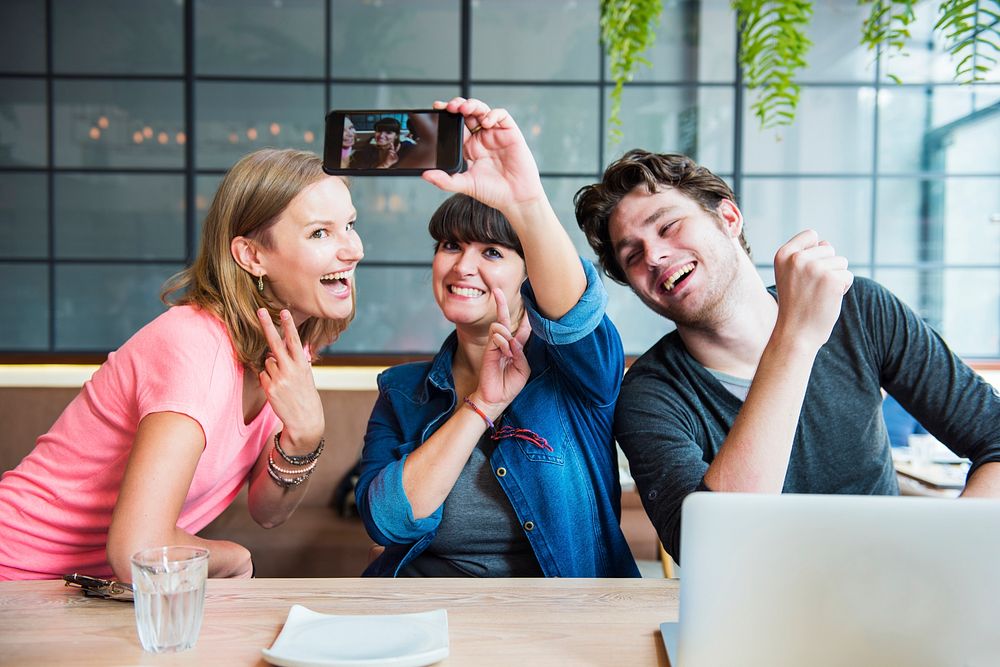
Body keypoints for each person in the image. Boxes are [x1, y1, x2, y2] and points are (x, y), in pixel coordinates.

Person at [574, 149, 1000, 562]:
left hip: (894, 602)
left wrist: (950, 556)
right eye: (632, 255)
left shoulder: (859, 310)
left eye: (667, 226)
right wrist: (795, 338)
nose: (655, 255)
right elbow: (713, 551)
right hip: (752, 620)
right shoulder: (649, 395)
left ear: (728, 217)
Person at [0, 148, 364, 581]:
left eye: (349, 225)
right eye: (320, 233)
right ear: (251, 256)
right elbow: (139, 550)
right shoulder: (194, 346)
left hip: (98, 588)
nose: (353, 250)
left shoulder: (287, 347)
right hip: (18, 579)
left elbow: (268, 512)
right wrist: (233, 557)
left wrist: (305, 438)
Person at [356, 97, 639, 577]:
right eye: (450, 246)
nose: (462, 267)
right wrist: (481, 408)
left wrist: (524, 200)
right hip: (426, 618)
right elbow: (388, 522)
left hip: (558, 626)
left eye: (492, 252)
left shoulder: (580, 375)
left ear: (531, 277)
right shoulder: (403, 392)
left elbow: (576, 313)